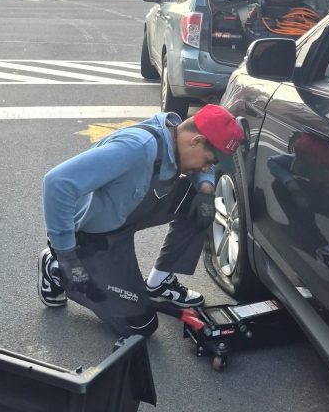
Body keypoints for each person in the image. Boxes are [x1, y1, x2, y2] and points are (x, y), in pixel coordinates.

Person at [38, 104, 243, 340]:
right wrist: (66, 256)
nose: (207, 168)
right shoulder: (136, 148)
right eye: (209, 161)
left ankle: (159, 281)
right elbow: (57, 183)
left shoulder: (176, 140)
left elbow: (205, 171)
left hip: (127, 214)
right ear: (195, 141)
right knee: (140, 326)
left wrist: (206, 187)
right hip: (93, 235)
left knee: (200, 203)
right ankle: (54, 269)